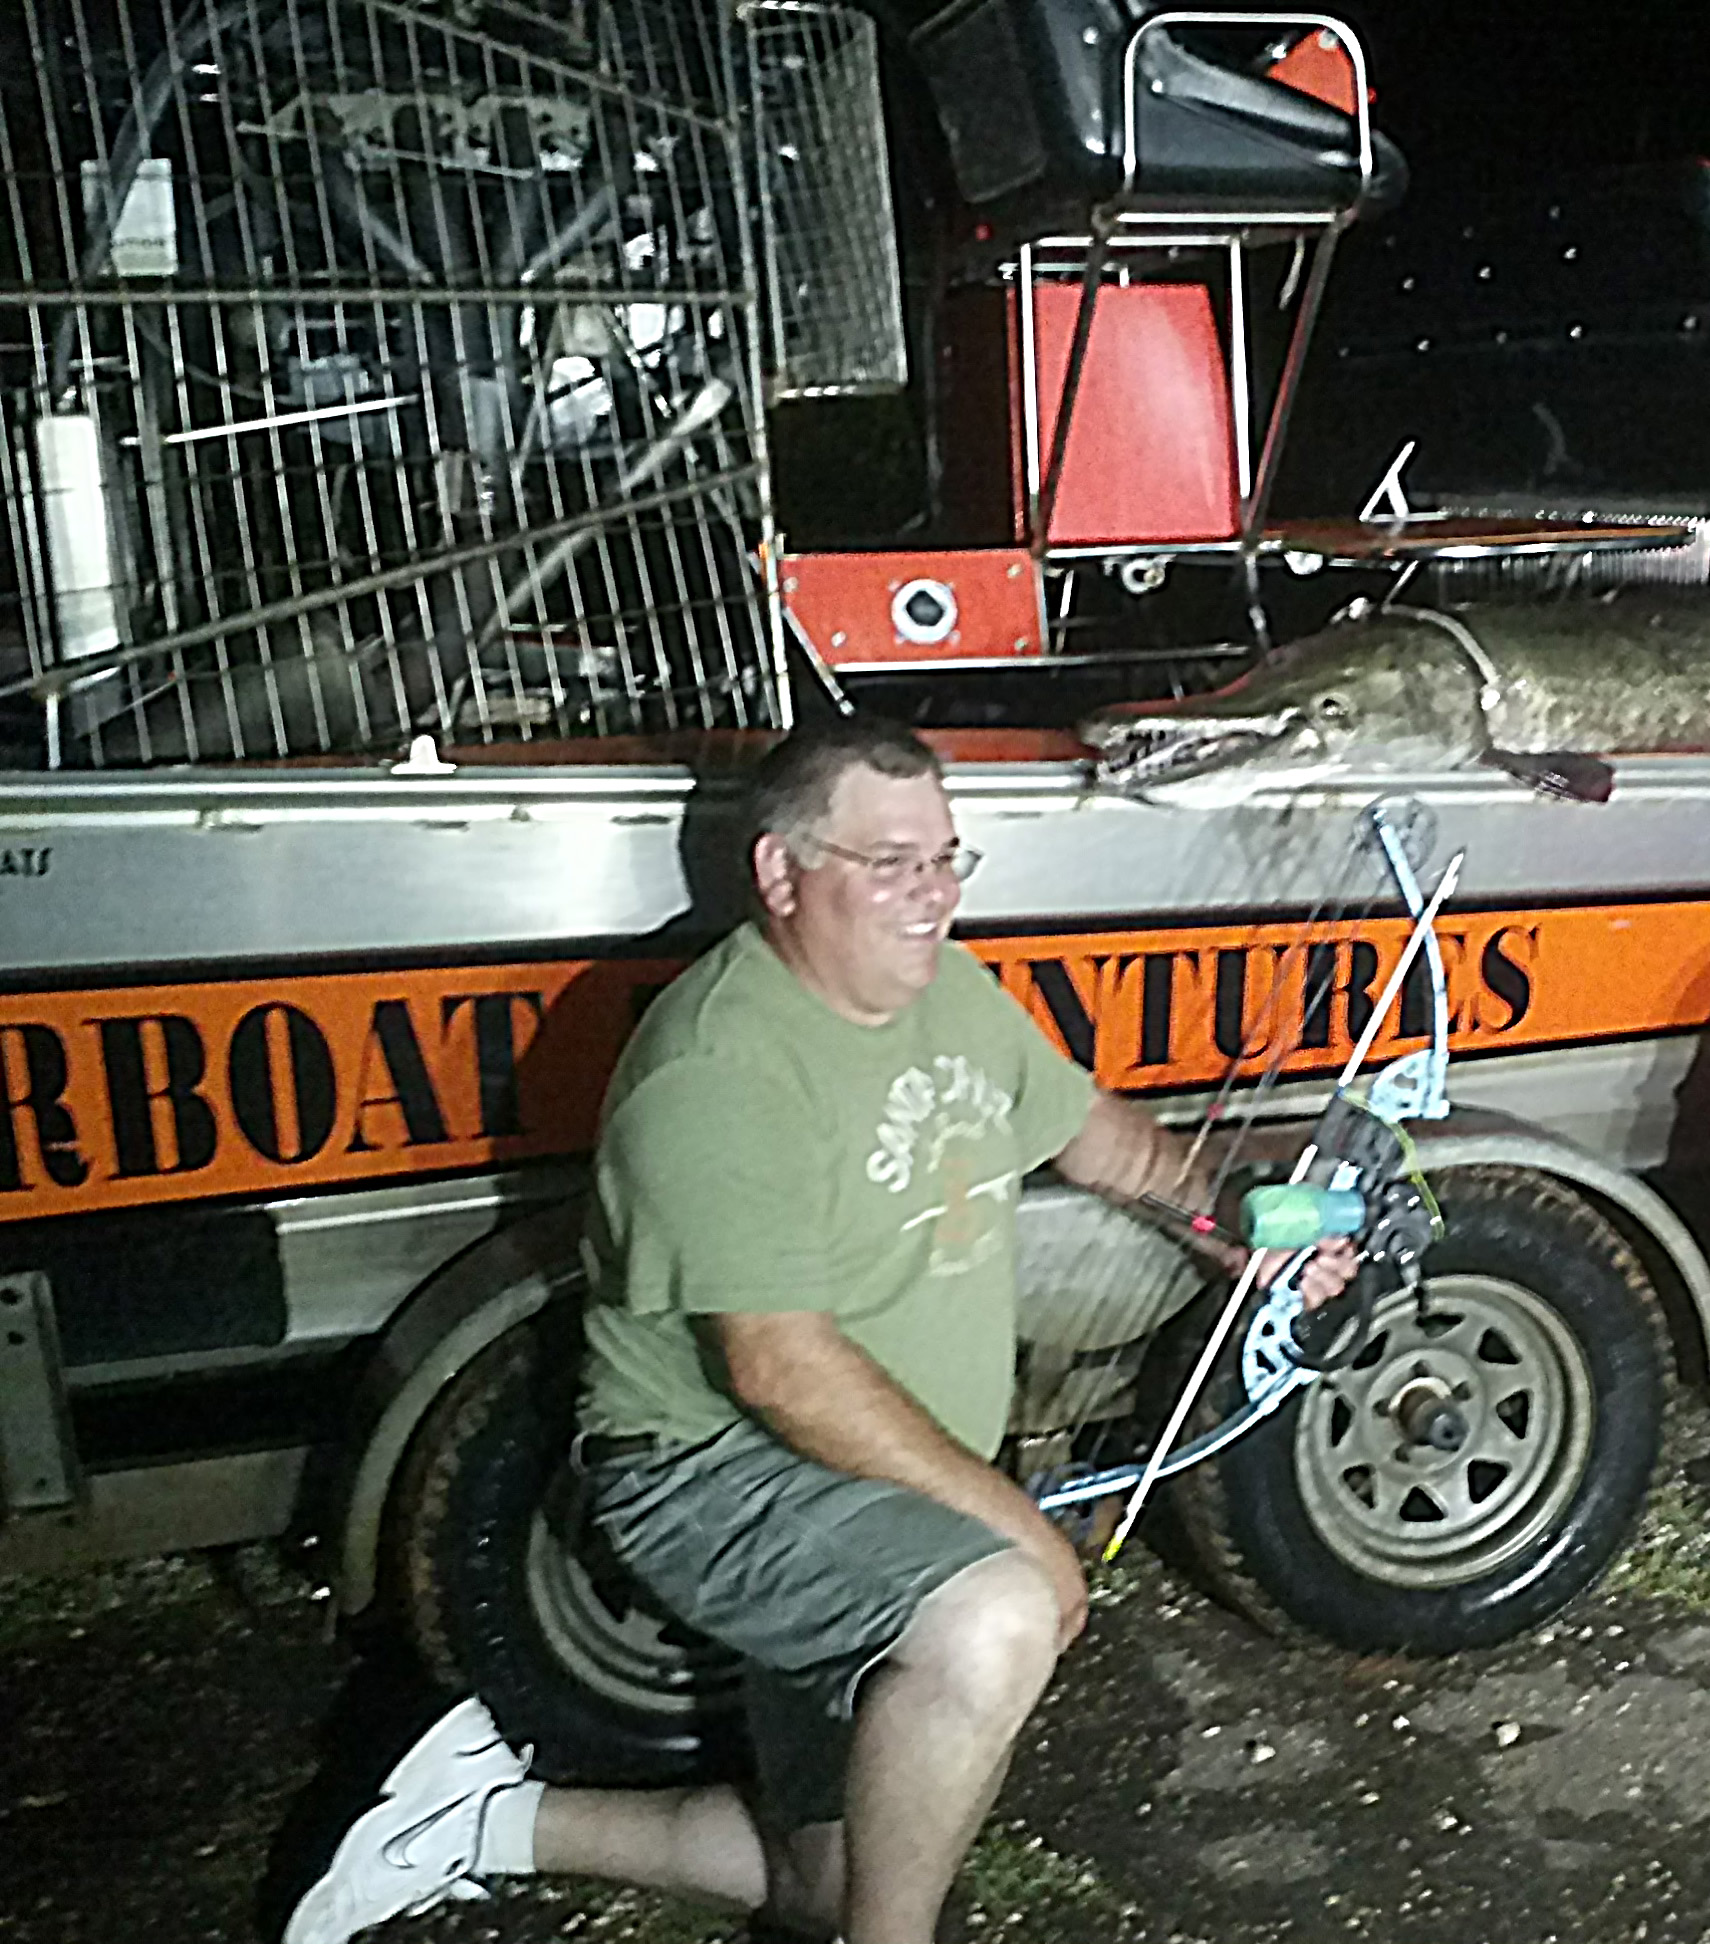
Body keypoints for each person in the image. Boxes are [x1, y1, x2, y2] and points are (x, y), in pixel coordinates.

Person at [289, 714, 1355, 1944]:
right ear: (781, 874)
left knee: (832, 1879)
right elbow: (778, 1366)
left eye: (949, 856)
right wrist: (1017, 1528)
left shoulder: (947, 991)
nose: (934, 895)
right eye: (892, 862)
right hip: (716, 1475)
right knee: (997, 1614)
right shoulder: (719, 1069)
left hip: (876, 1478)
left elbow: (1090, 1133)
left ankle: (477, 1820)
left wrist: (1233, 1227)